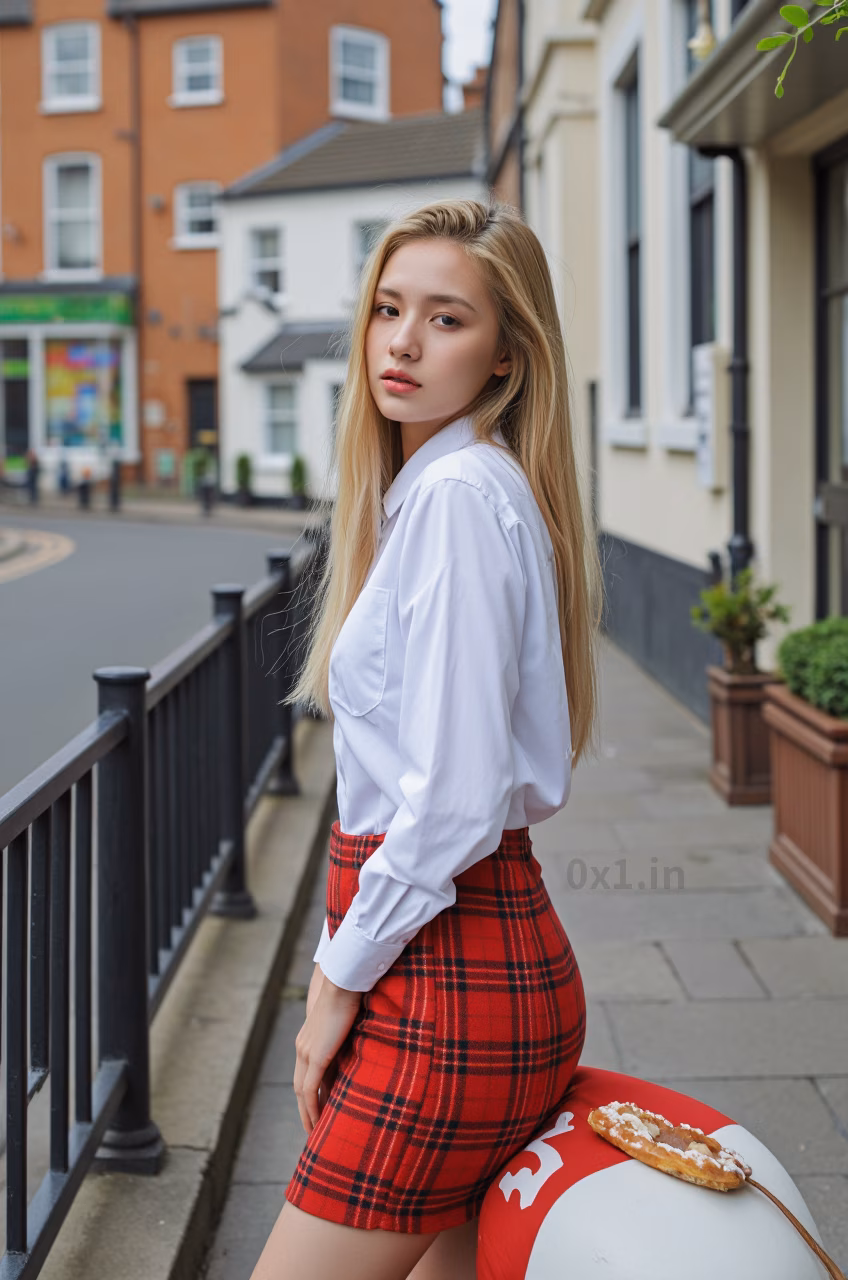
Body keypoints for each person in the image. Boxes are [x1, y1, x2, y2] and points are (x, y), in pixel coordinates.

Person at [252, 198, 604, 1280]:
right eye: (387, 308)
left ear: (506, 355)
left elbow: (453, 799)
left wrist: (333, 982)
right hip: (477, 963)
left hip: (443, 985)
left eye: (446, 318)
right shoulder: (452, 490)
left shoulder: (455, 497)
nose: (401, 342)